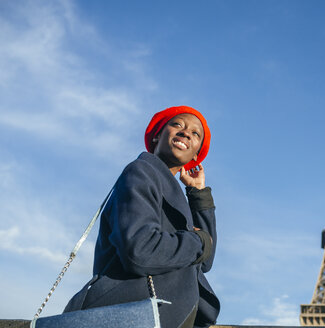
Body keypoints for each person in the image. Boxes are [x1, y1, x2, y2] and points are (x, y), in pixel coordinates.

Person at [64, 106, 220, 328]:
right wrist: (198, 241)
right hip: (132, 312)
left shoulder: (174, 195)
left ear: (195, 155)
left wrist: (198, 196)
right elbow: (140, 251)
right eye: (177, 125)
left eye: (196, 134)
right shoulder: (142, 171)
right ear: (157, 135)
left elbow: (204, 260)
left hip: (164, 316)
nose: (186, 132)